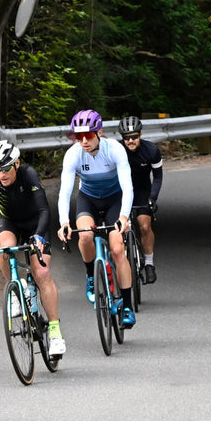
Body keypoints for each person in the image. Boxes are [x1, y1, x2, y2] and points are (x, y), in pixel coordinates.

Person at [0, 140, 66, 356]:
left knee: (41, 273)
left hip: (34, 222)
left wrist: (38, 236)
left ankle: (55, 332)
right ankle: (15, 289)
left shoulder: (28, 174)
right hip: (9, 221)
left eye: (5, 168)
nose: (1, 174)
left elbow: (43, 209)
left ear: (17, 163)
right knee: (5, 248)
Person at [56, 109, 137, 328]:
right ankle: (91, 276)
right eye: (78, 136)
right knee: (84, 237)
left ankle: (127, 305)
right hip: (88, 199)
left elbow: (128, 187)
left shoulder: (115, 150)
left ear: (99, 132)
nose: (83, 141)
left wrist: (123, 217)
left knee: (118, 249)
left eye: (88, 135)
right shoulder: (73, 154)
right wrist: (64, 222)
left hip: (114, 199)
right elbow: (64, 191)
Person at [118, 115, 163, 284]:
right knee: (121, 228)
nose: (131, 141)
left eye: (134, 137)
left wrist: (153, 198)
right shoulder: (116, 150)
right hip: (121, 192)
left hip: (142, 192)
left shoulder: (151, 150)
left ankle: (149, 264)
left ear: (140, 135)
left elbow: (158, 177)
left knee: (144, 226)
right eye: (127, 138)